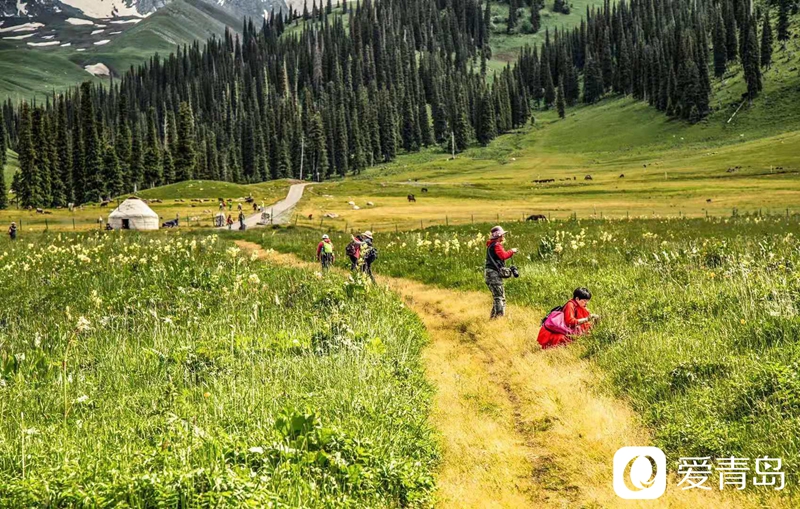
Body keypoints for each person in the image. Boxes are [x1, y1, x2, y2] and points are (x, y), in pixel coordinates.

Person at [485, 225, 518, 319]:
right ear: (498, 236)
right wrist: (512, 251)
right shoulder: (496, 245)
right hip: (493, 274)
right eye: (502, 235)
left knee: (497, 297)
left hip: (489, 273)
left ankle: (493, 319)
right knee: (500, 298)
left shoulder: (491, 245)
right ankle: (499, 319)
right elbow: (503, 256)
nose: (503, 236)